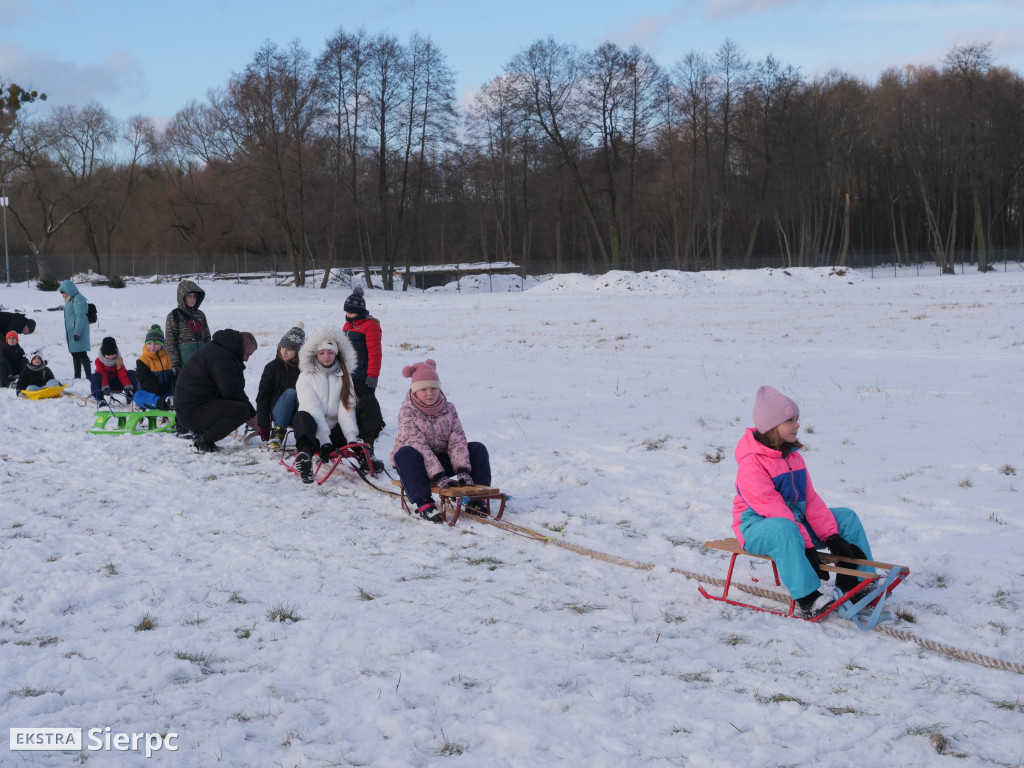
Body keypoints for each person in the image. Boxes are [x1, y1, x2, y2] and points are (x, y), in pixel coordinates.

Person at [731, 385, 874, 618]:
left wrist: (832, 536)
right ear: (771, 427)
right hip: (756, 527)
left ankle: (860, 581)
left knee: (846, 517)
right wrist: (808, 546)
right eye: (790, 420)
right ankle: (807, 598)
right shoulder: (752, 463)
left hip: (793, 522)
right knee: (784, 528)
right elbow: (774, 510)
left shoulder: (793, 458)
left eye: (797, 419)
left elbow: (811, 501)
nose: (797, 425)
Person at [390, 359, 491, 524]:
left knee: (477, 449)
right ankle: (424, 504)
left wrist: (462, 469)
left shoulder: (449, 409)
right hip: (417, 464)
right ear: (414, 391)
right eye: (423, 389)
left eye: (434, 388)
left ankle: (477, 499)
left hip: (442, 460)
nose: (429, 393)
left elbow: (457, 440)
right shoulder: (407, 412)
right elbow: (417, 444)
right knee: (406, 453)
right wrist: (438, 474)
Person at [291, 327, 362, 484]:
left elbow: (346, 407)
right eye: (322, 353)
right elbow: (312, 407)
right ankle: (305, 457)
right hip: (315, 436)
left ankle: (364, 453)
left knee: (367, 403)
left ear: (336, 354)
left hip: (337, 434)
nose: (326, 357)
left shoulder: (344, 376)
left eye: (330, 353)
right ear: (315, 354)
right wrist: (323, 439)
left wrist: (351, 439)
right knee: (302, 415)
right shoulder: (306, 376)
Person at [173, 329, 258, 453]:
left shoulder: (222, 350)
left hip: (191, 409)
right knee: (241, 411)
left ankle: (202, 434)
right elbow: (231, 393)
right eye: (248, 354)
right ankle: (204, 441)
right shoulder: (222, 357)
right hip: (190, 412)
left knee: (243, 410)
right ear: (243, 346)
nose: (247, 359)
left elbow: (236, 389)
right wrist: (249, 417)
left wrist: (253, 415)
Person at [343, 286, 386, 465]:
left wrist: (373, 375)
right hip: (350, 372)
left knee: (367, 400)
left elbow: (375, 352)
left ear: (360, 312)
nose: (348, 315)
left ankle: (373, 426)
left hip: (364, 373)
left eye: (351, 312)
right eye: (346, 311)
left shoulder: (371, 326)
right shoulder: (348, 324)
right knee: (352, 400)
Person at [256, 322, 305, 449]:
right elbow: (262, 396)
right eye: (282, 347)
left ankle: (307, 438)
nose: (284, 351)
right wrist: (264, 424)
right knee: (291, 393)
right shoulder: (272, 368)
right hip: (278, 411)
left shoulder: (304, 369)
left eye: (290, 348)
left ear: (298, 351)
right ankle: (278, 433)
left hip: (299, 413)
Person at [164, 279, 211, 378]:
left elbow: (207, 337)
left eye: (194, 296)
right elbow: (170, 341)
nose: (192, 299)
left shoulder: (200, 315)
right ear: (182, 297)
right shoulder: (174, 315)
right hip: (184, 359)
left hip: (202, 358)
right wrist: (175, 362)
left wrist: (209, 355)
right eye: (189, 296)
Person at [134, 325, 175, 411]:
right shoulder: (142, 360)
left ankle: (171, 401)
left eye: (156, 344)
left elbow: (175, 376)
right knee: (138, 396)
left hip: (168, 392)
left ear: (162, 345)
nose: (152, 347)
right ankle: (162, 402)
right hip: (150, 393)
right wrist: (159, 396)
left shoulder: (169, 357)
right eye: (149, 343)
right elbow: (146, 381)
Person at [90, 336, 138, 405]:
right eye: (108, 355)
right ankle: (100, 400)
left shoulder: (118, 359)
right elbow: (102, 374)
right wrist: (105, 387)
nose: (111, 357)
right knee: (95, 376)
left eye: (113, 354)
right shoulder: (98, 361)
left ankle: (131, 396)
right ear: (103, 354)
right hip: (105, 383)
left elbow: (122, 373)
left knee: (132, 373)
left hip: (117, 381)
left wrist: (127, 386)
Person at [59, 279, 91, 378]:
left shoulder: (78, 299)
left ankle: (89, 376)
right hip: (72, 331)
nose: (62, 295)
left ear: (68, 290)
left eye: (63, 292)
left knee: (81, 353)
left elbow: (81, 316)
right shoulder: (71, 299)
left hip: (78, 331)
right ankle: (77, 376)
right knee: (75, 354)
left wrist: (77, 331)